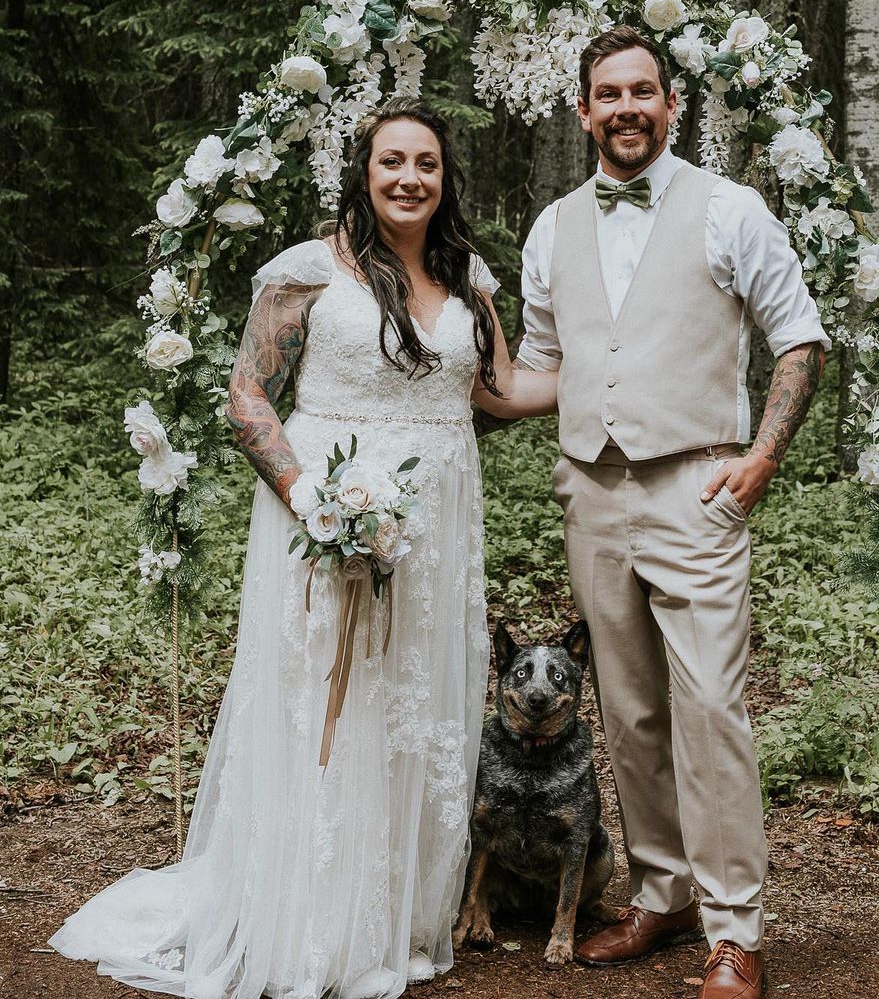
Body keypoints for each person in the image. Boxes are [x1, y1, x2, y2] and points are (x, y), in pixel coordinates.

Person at [49, 98, 555, 999]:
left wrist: (614, 367)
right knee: (331, 704)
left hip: (436, 523)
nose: (410, 178)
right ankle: (308, 920)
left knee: (409, 707)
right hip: (326, 513)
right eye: (392, 160)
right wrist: (314, 504)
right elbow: (248, 395)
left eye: (428, 164)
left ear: (446, 178)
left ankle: (386, 917)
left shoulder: (467, 277)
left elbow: (500, 389)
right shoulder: (309, 271)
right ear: (363, 169)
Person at [514, 25, 829, 999]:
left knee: (708, 708)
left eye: (643, 92)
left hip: (698, 486)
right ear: (583, 112)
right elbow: (540, 368)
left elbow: (801, 339)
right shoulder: (550, 227)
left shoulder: (731, 211)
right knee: (631, 710)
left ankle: (736, 930)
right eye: (608, 95)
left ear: (672, 104)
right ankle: (661, 893)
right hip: (592, 497)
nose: (626, 109)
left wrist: (764, 456)